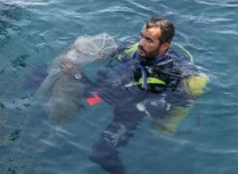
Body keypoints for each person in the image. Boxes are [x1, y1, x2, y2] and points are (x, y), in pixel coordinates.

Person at [60, 17, 208, 174]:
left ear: (164, 46)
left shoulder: (159, 76)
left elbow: (109, 97)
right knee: (92, 88)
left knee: (101, 154)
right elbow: (120, 53)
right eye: (141, 36)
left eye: (149, 40)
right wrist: (104, 54)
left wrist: (77, 75)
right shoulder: (146, 50)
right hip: (129, 85)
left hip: (135, 106)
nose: (141, 43)